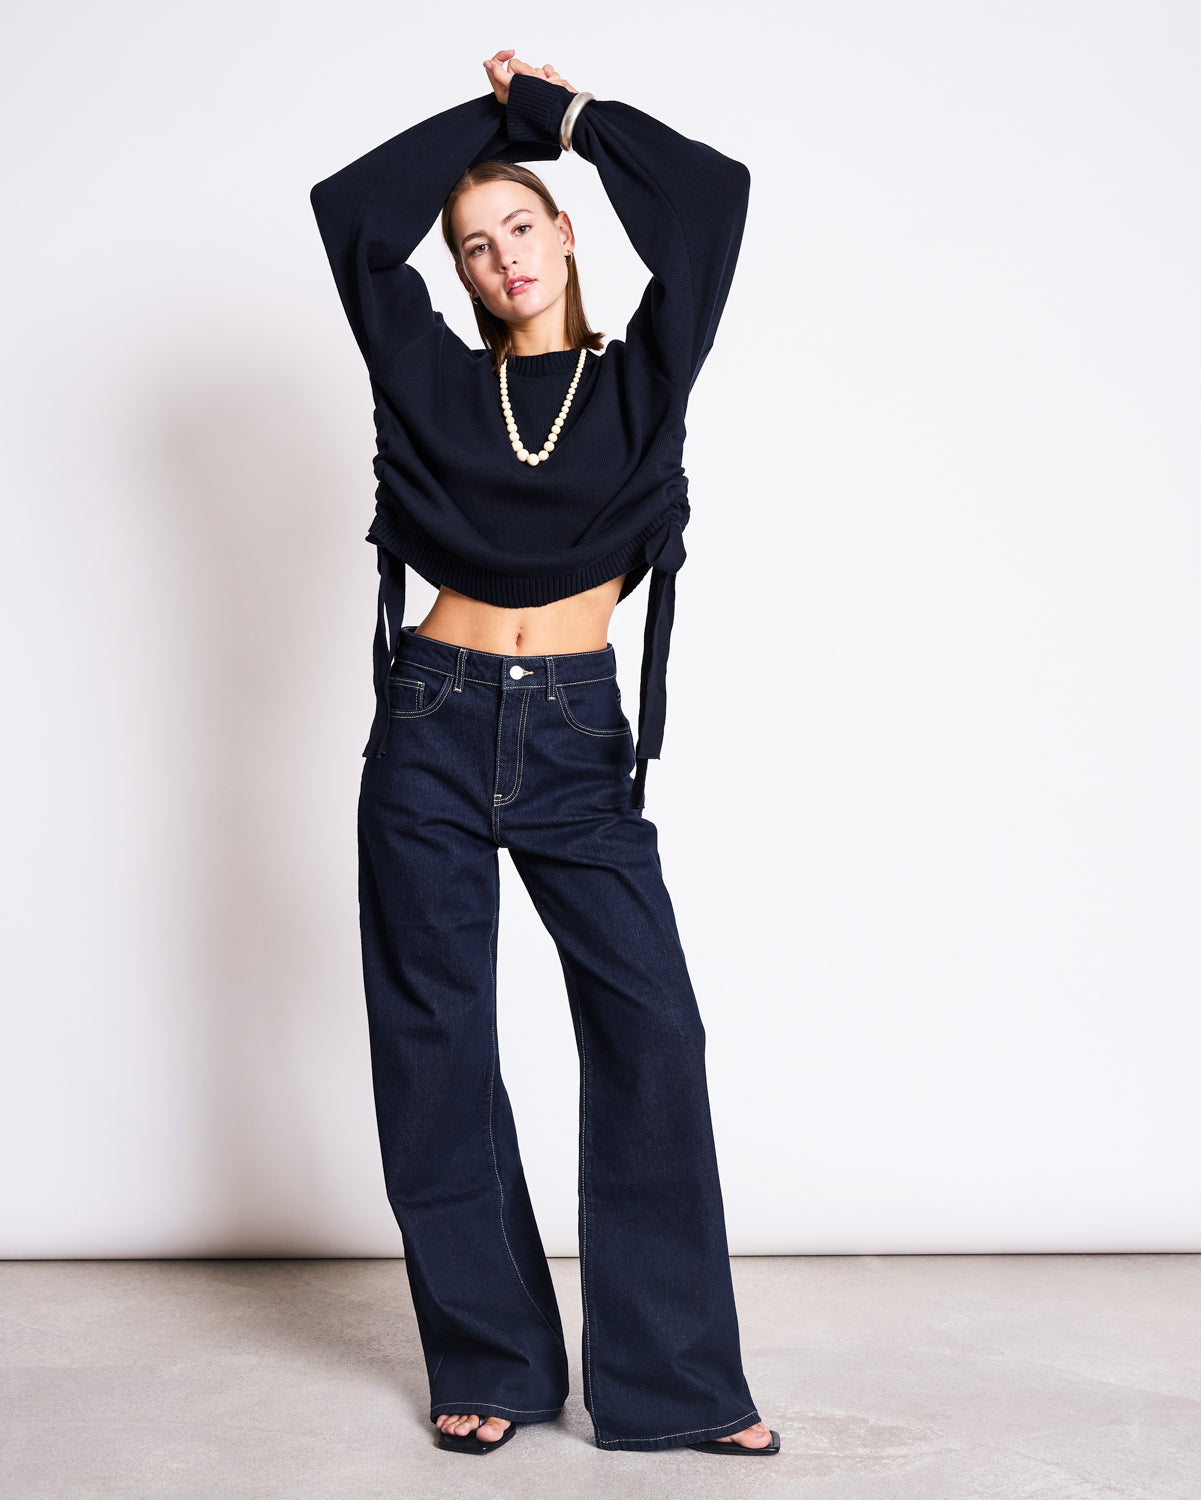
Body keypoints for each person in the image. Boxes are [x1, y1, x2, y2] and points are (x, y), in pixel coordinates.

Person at [309, 47, 779, 1459]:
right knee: (437, 1044)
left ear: (568, 231)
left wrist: (556, 118)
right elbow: (345, 211)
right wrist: (476, 125)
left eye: (518, 224)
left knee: (650, 1030)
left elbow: (710, 199)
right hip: (433, 730)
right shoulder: (431, 378)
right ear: (453, 274)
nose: (499, 255)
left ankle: (677, 1382)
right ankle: (493, 1363)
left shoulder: (642, 375)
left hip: (576, 739)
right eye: (470, 244)